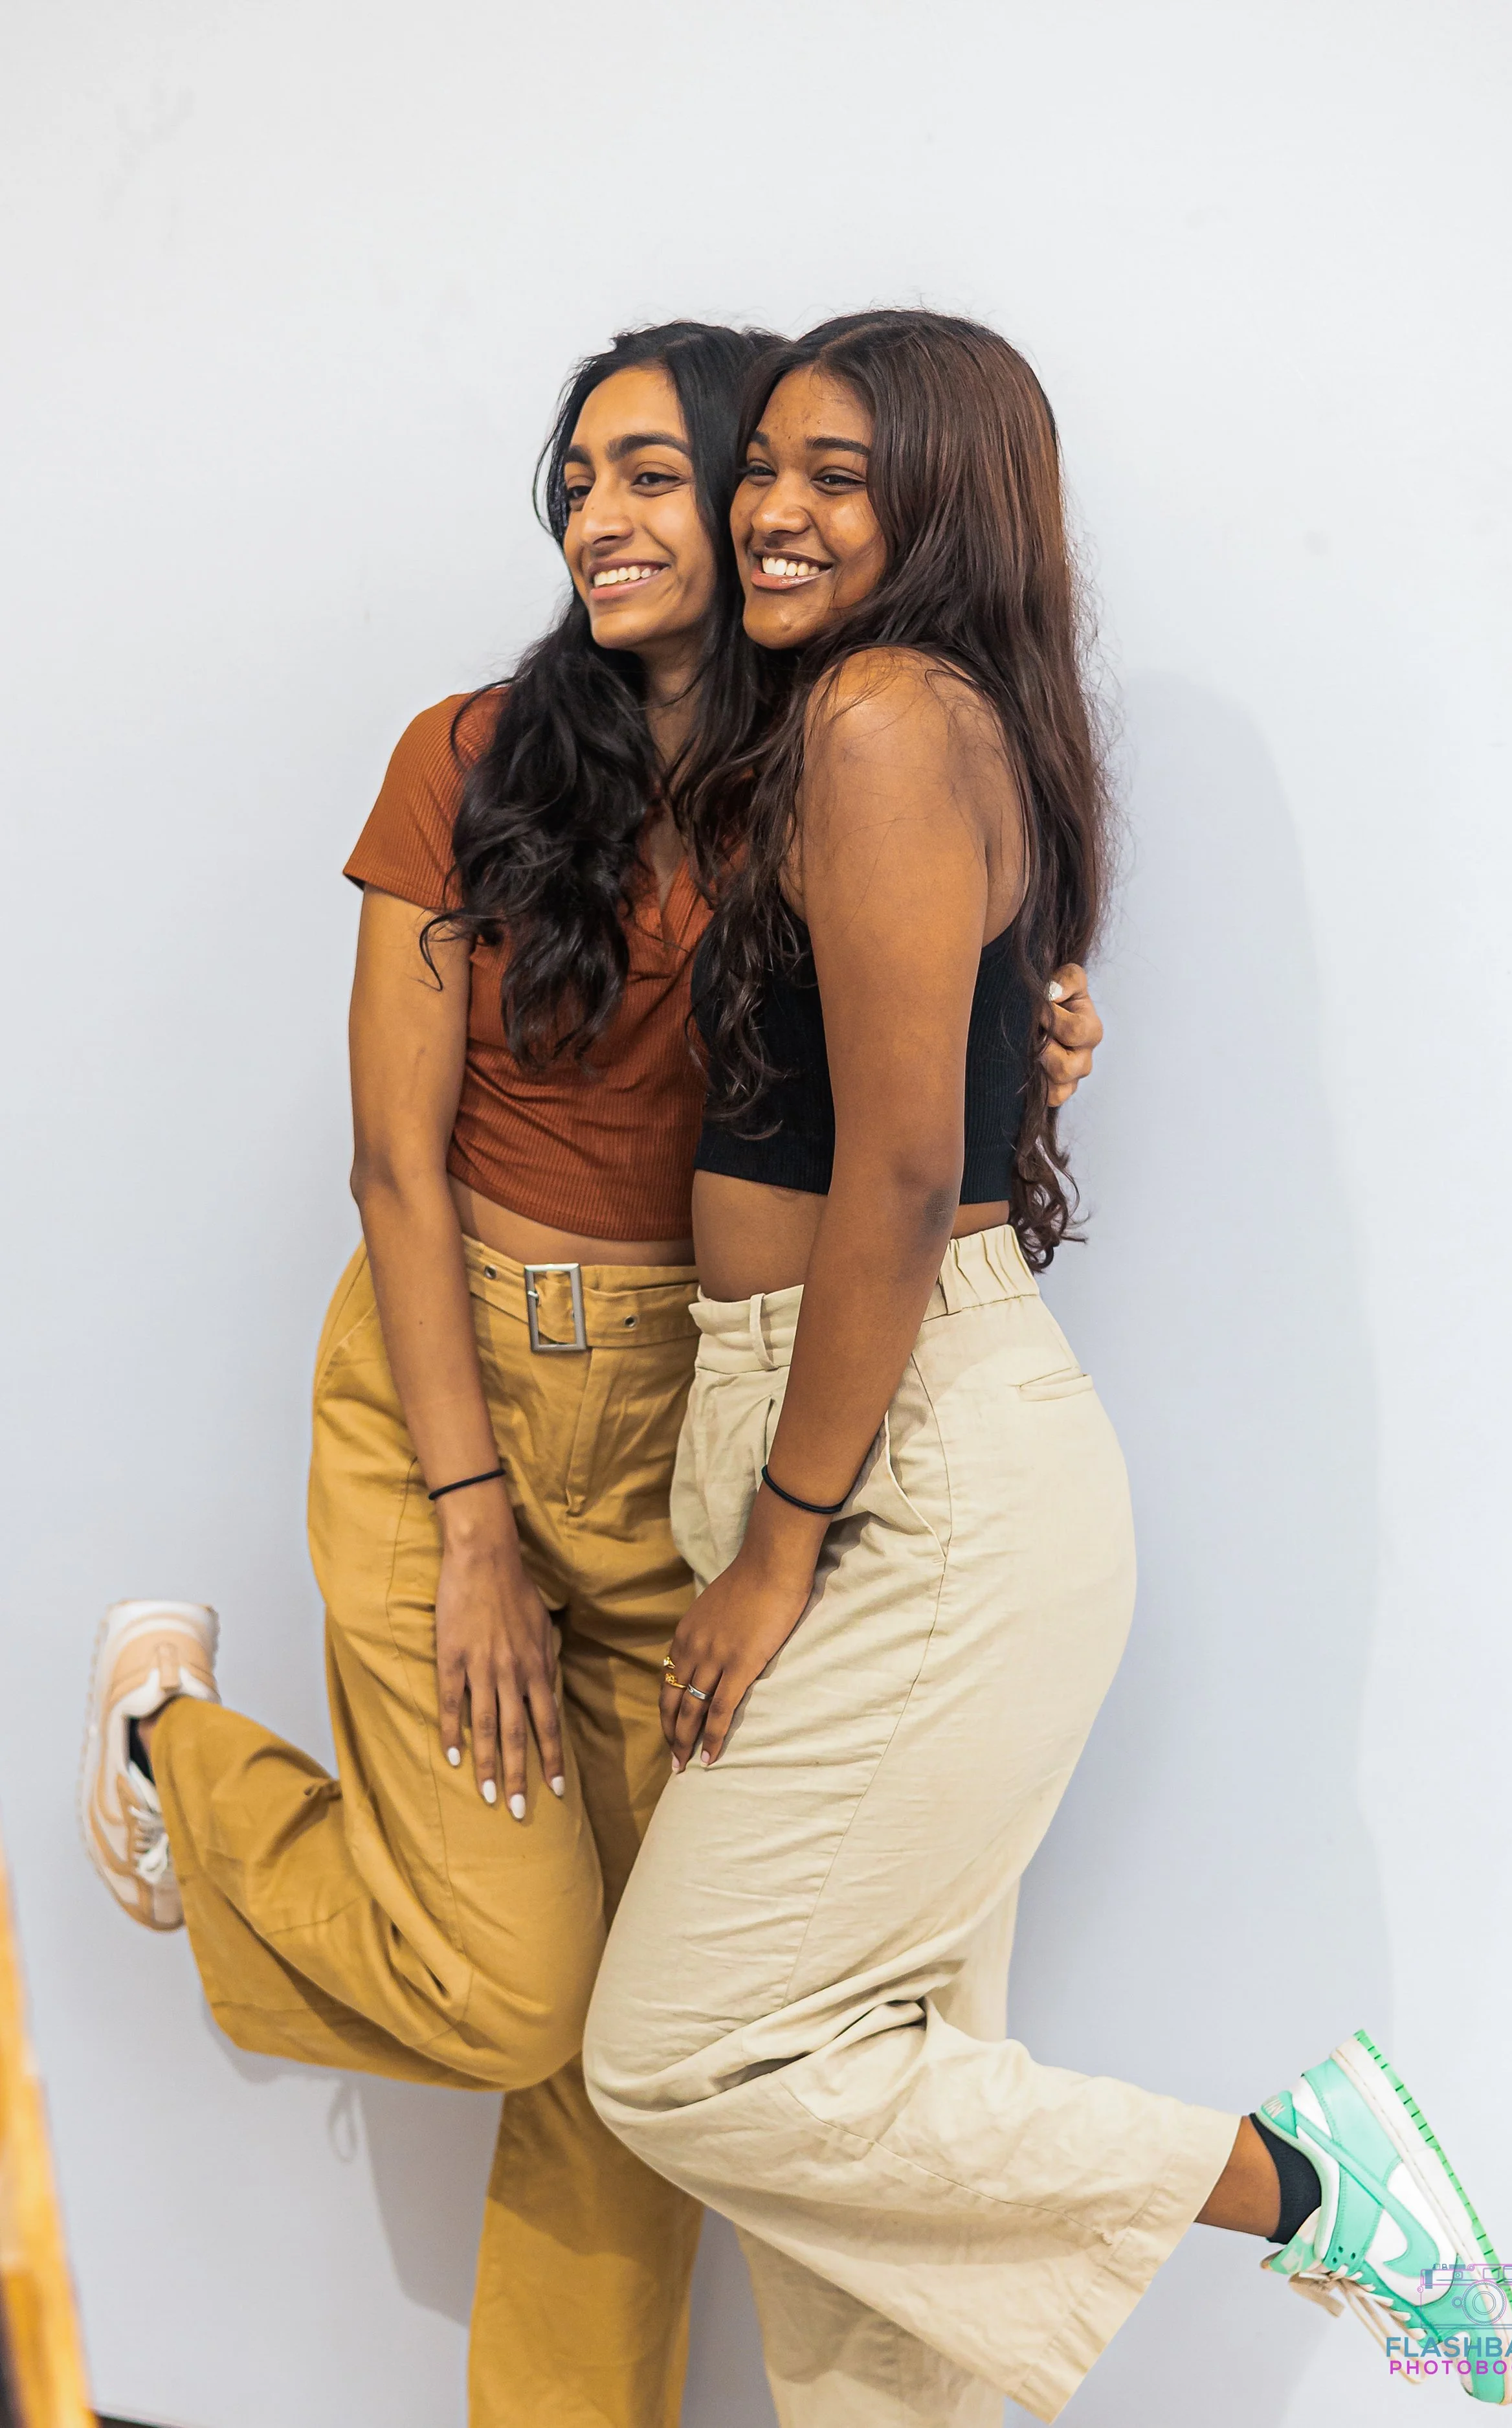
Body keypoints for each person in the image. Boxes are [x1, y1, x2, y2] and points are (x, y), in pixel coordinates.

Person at [77, 319, 1105, 2428]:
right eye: (583, 478)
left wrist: (1045, 1027)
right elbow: (389, 1156)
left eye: (662, 473)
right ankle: (174, 1739)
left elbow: (913, 1084)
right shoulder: (464, 756)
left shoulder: (838, 757)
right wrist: (468, 1523)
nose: (614, 519)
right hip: (451, 1383)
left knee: (623, 2054)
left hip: (709, 1418)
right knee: (508, 1980)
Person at [582, 311, 1512, 2423]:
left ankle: (1309, 2181)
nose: (772, 508)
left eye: (841, 476)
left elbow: (906, 1174)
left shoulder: (888, 719)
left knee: (688, 2052)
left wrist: (780, 1539)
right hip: (866, 1424)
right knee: (870, 2170)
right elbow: (937, 1086)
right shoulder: (876, 720)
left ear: (949, 505)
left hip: (896, 1466)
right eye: (772, 467)